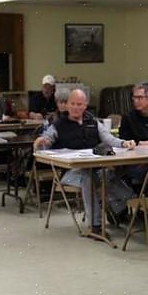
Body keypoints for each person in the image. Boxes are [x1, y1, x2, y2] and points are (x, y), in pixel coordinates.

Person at [33, 89, 136, 234]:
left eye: (79, 104)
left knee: (111, 173)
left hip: (95, 168)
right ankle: (95, 225)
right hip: (70, 173)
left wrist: (124, 143)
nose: (76, 107)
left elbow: (109, 139)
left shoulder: (93, 122)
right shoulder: (58, 124)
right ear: (67, 105)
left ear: (85, 105)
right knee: (89, 178)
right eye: (73, 103)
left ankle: (123, 205)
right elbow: (45, 143)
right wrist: (40, 143)